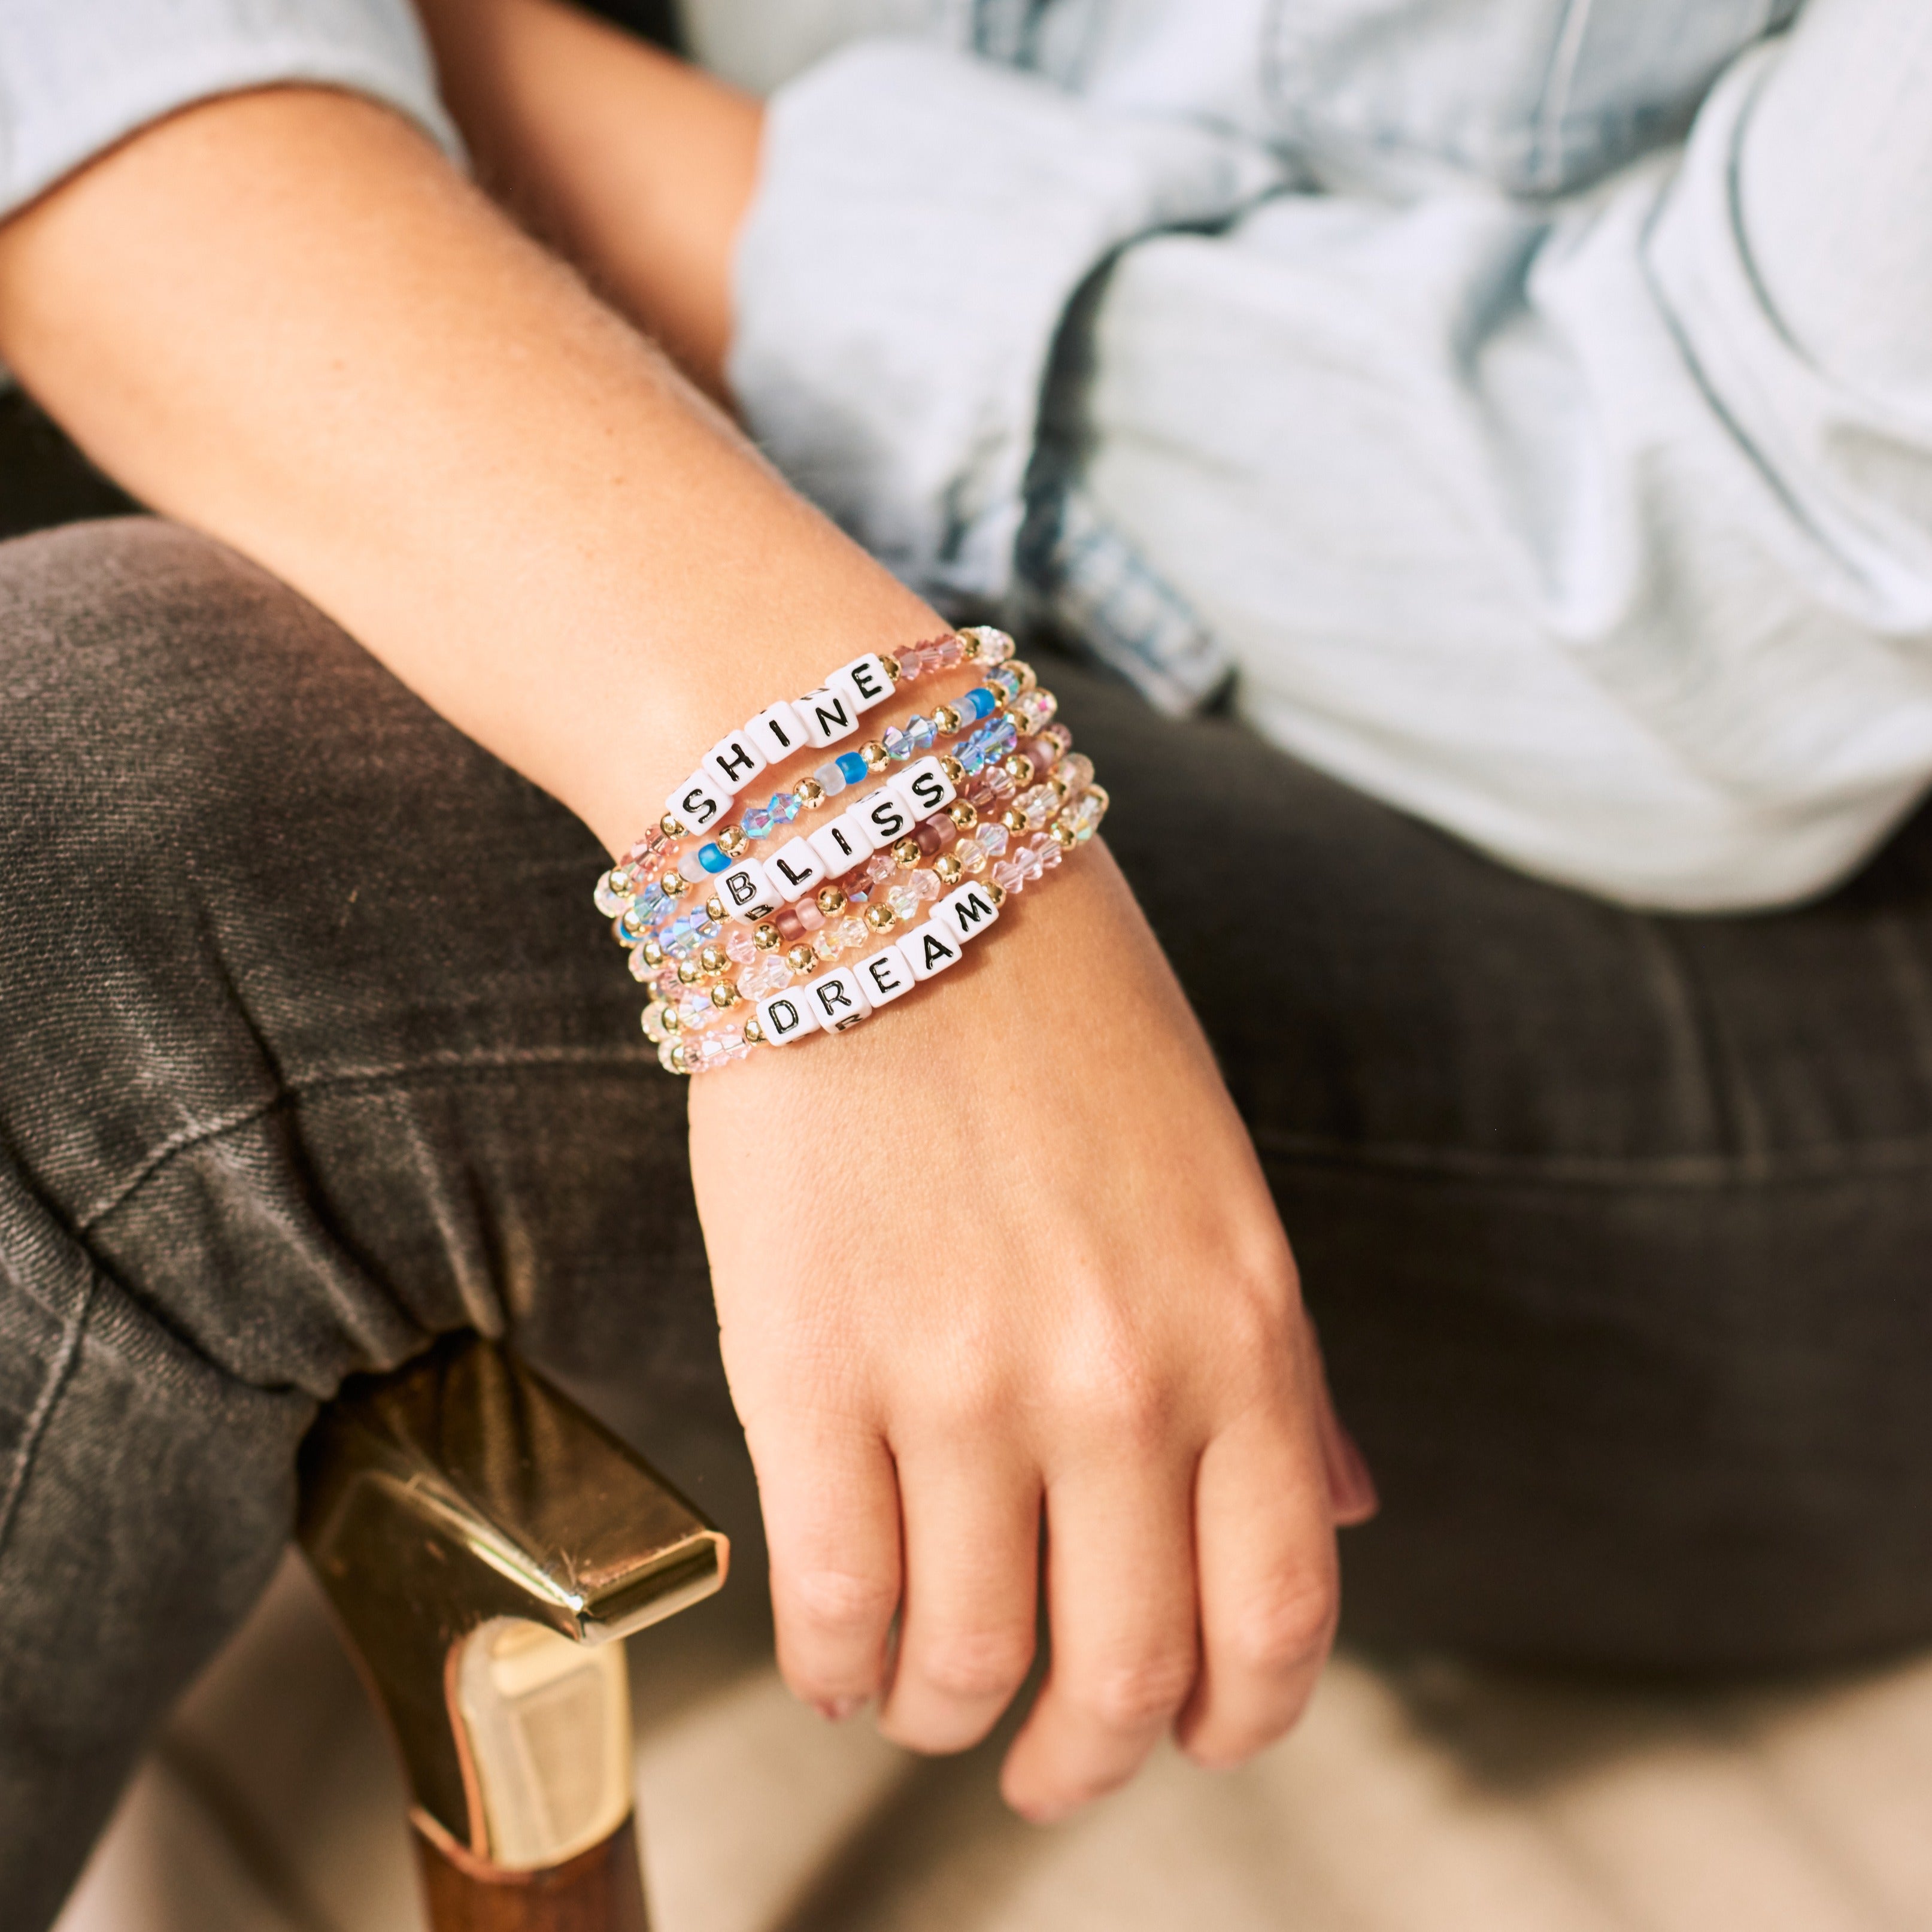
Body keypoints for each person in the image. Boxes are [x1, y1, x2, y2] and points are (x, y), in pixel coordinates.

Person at [1, 0, 1928, 1923]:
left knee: (98, 825)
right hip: (828, 507)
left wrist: (425, 91)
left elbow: (1704, 557)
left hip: (1788, 920)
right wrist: (808, 730)